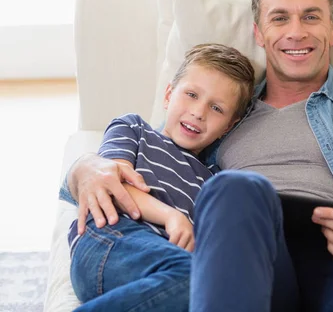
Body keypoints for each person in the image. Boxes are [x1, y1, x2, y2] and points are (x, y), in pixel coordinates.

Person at [62, 0, 333, 311]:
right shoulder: (224, 111)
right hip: (246, 254)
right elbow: (156, 151)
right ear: (259, 33)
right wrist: (85, 166)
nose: (296, 32)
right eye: (280, 18)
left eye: (312, 17)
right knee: (235, 189)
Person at [66, 43, 255, 311]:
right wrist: (171, 216)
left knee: (215, 288)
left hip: (165, 269)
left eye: (216, 108)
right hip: (111, 236)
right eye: (191, 94)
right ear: (168, 95)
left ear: (228, 126)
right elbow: (113, 184)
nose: (198, 112)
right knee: (199, 279)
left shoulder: (214, 180)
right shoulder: (134, 129)